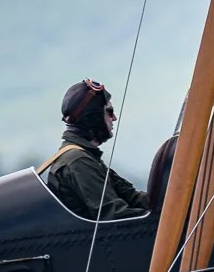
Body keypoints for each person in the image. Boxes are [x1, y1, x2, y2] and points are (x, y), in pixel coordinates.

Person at [42, 79, 151, 220]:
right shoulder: (78, 161)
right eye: (109, 112)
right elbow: (114, 215)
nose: (114, 118)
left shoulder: (84, 157)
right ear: (93, 118)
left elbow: (133, 198)